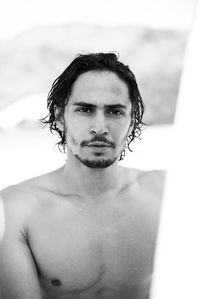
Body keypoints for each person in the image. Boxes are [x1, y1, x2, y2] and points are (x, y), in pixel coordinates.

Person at [0, 52, 165, 299]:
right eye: (85, 109)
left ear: (132, 121)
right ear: (60, 117)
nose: (100, 127)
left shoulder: (169, 194)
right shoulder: (15, 209)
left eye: (115, 111)